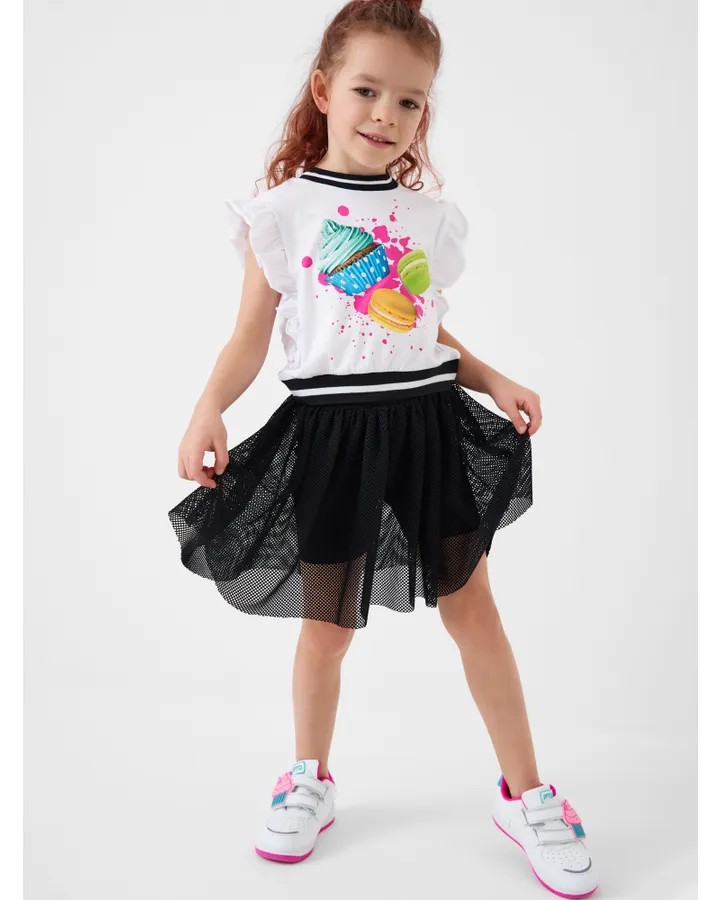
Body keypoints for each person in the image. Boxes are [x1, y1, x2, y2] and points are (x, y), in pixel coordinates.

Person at [167, 1, 598, 894]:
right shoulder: (281, 213)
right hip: (332, 437)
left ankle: (527, 794)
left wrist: (493, 377)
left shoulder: (427, 217)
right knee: (327, 628)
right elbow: (249, 338)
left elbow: (423, 330)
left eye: (410, 101)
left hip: (427, 426)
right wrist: (208, 405)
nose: (386, 115)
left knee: (473, 610)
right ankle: (308, 778)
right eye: (367, 91)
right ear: (324, 90)